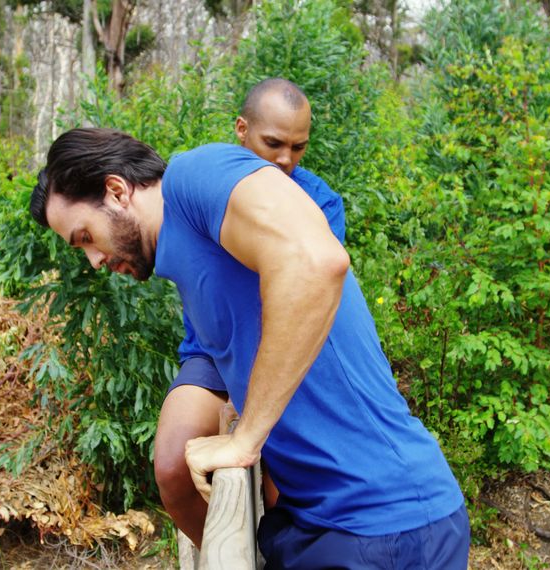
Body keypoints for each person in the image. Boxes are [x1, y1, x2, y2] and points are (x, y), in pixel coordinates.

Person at [30, 128, 469, 568]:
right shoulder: (189, 263)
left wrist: (245, 439)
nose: (94, 261)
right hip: (323, 522)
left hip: (378, 524)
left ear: (116, 190)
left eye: (85, 237)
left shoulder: (198, 175)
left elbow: (317, 262)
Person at [155, 78, 345, 548]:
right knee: (172, 467)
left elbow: (306, 295)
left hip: (276, 346)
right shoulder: (201, 184)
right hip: (210, 351)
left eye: (298, 147)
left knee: (289, 480)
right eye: (273, 143)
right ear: (242, 130)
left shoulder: (319, 202)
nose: (285, 159)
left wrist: (253, 393)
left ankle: (278, 551)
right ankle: (225, 552)